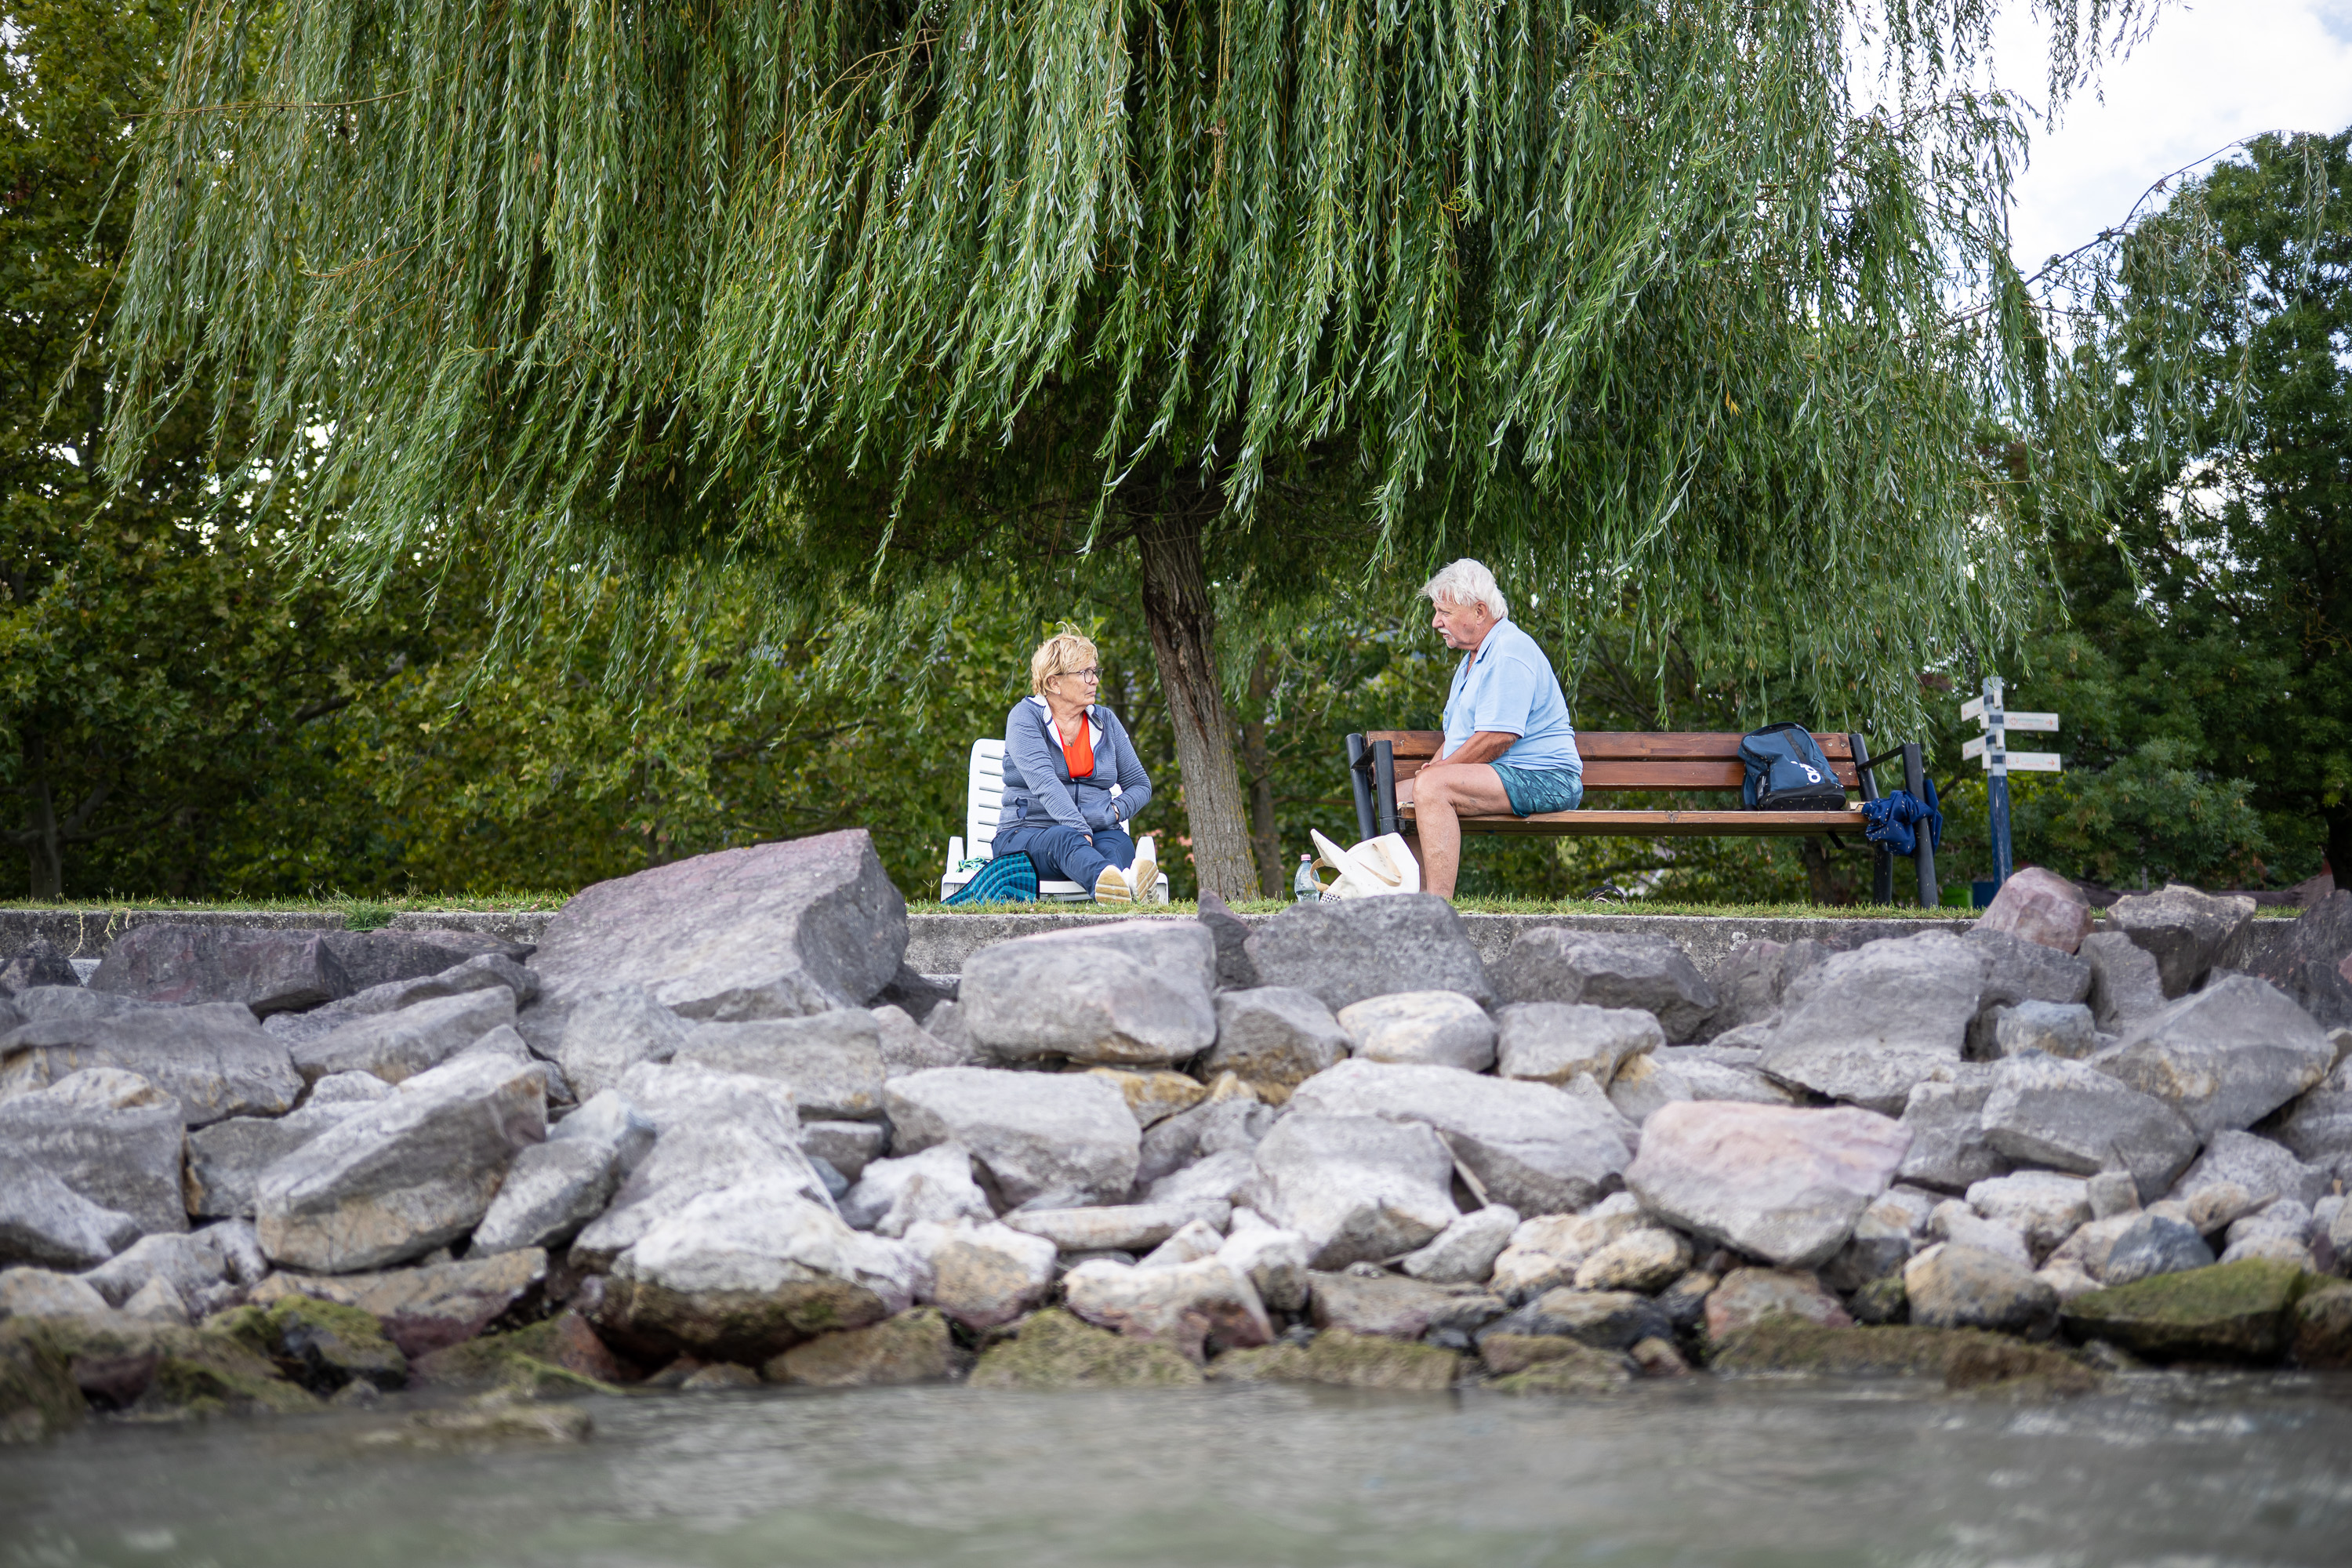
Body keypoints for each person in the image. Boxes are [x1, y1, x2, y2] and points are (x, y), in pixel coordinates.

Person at [1399, 559, 1583, 898]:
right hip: (1507, 773)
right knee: (1397, 796)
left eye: (1445, 612)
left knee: (1432, 787)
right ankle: (1409, 900)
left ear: (1480, 611)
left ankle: (1436, 907)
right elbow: (1460, 736)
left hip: (1547, 778)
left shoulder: (1508, 650)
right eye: (1437, 612)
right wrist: (1434, 767)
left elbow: (1498, 737)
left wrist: (1437, 774)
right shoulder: (1473, 659)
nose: (1436, 622)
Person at [993, 630, 1159, 904]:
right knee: (1064, 839)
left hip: (1097, 835)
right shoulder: (1025, 717)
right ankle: (1118, 883)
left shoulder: (1106, 721)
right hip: (1028, 835)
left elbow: (1141, 785)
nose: (1095, 680)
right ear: (1054, 682)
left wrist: (1113, 812)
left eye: (1095, 671)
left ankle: (1116, 883)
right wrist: (1078, 828)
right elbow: (1045, 783)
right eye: (1085, 673)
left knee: (1118, 845)